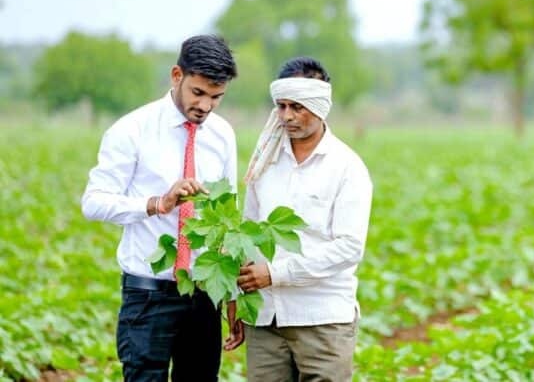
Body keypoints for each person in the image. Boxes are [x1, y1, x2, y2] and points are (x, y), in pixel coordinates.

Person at [81, 35, 244, 381]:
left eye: (217, 97)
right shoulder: (132, 130)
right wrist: (158, 203)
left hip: (203, 293)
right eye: (198, 93)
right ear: (176, 76)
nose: (206, 106)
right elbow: (93, 202)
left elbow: (227, 214)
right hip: (148, 293)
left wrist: (230, 293)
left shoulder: (222, 135)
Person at [237, 56, 372, 381]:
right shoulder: (264, 161)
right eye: (281, 106)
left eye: (297, 107)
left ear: (321, 105)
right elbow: (248, 232)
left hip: (322, 319)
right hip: (266, 319)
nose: (287, 116)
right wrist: (236, 296)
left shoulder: (346, 167)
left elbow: (349, 248)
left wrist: (276, 273)